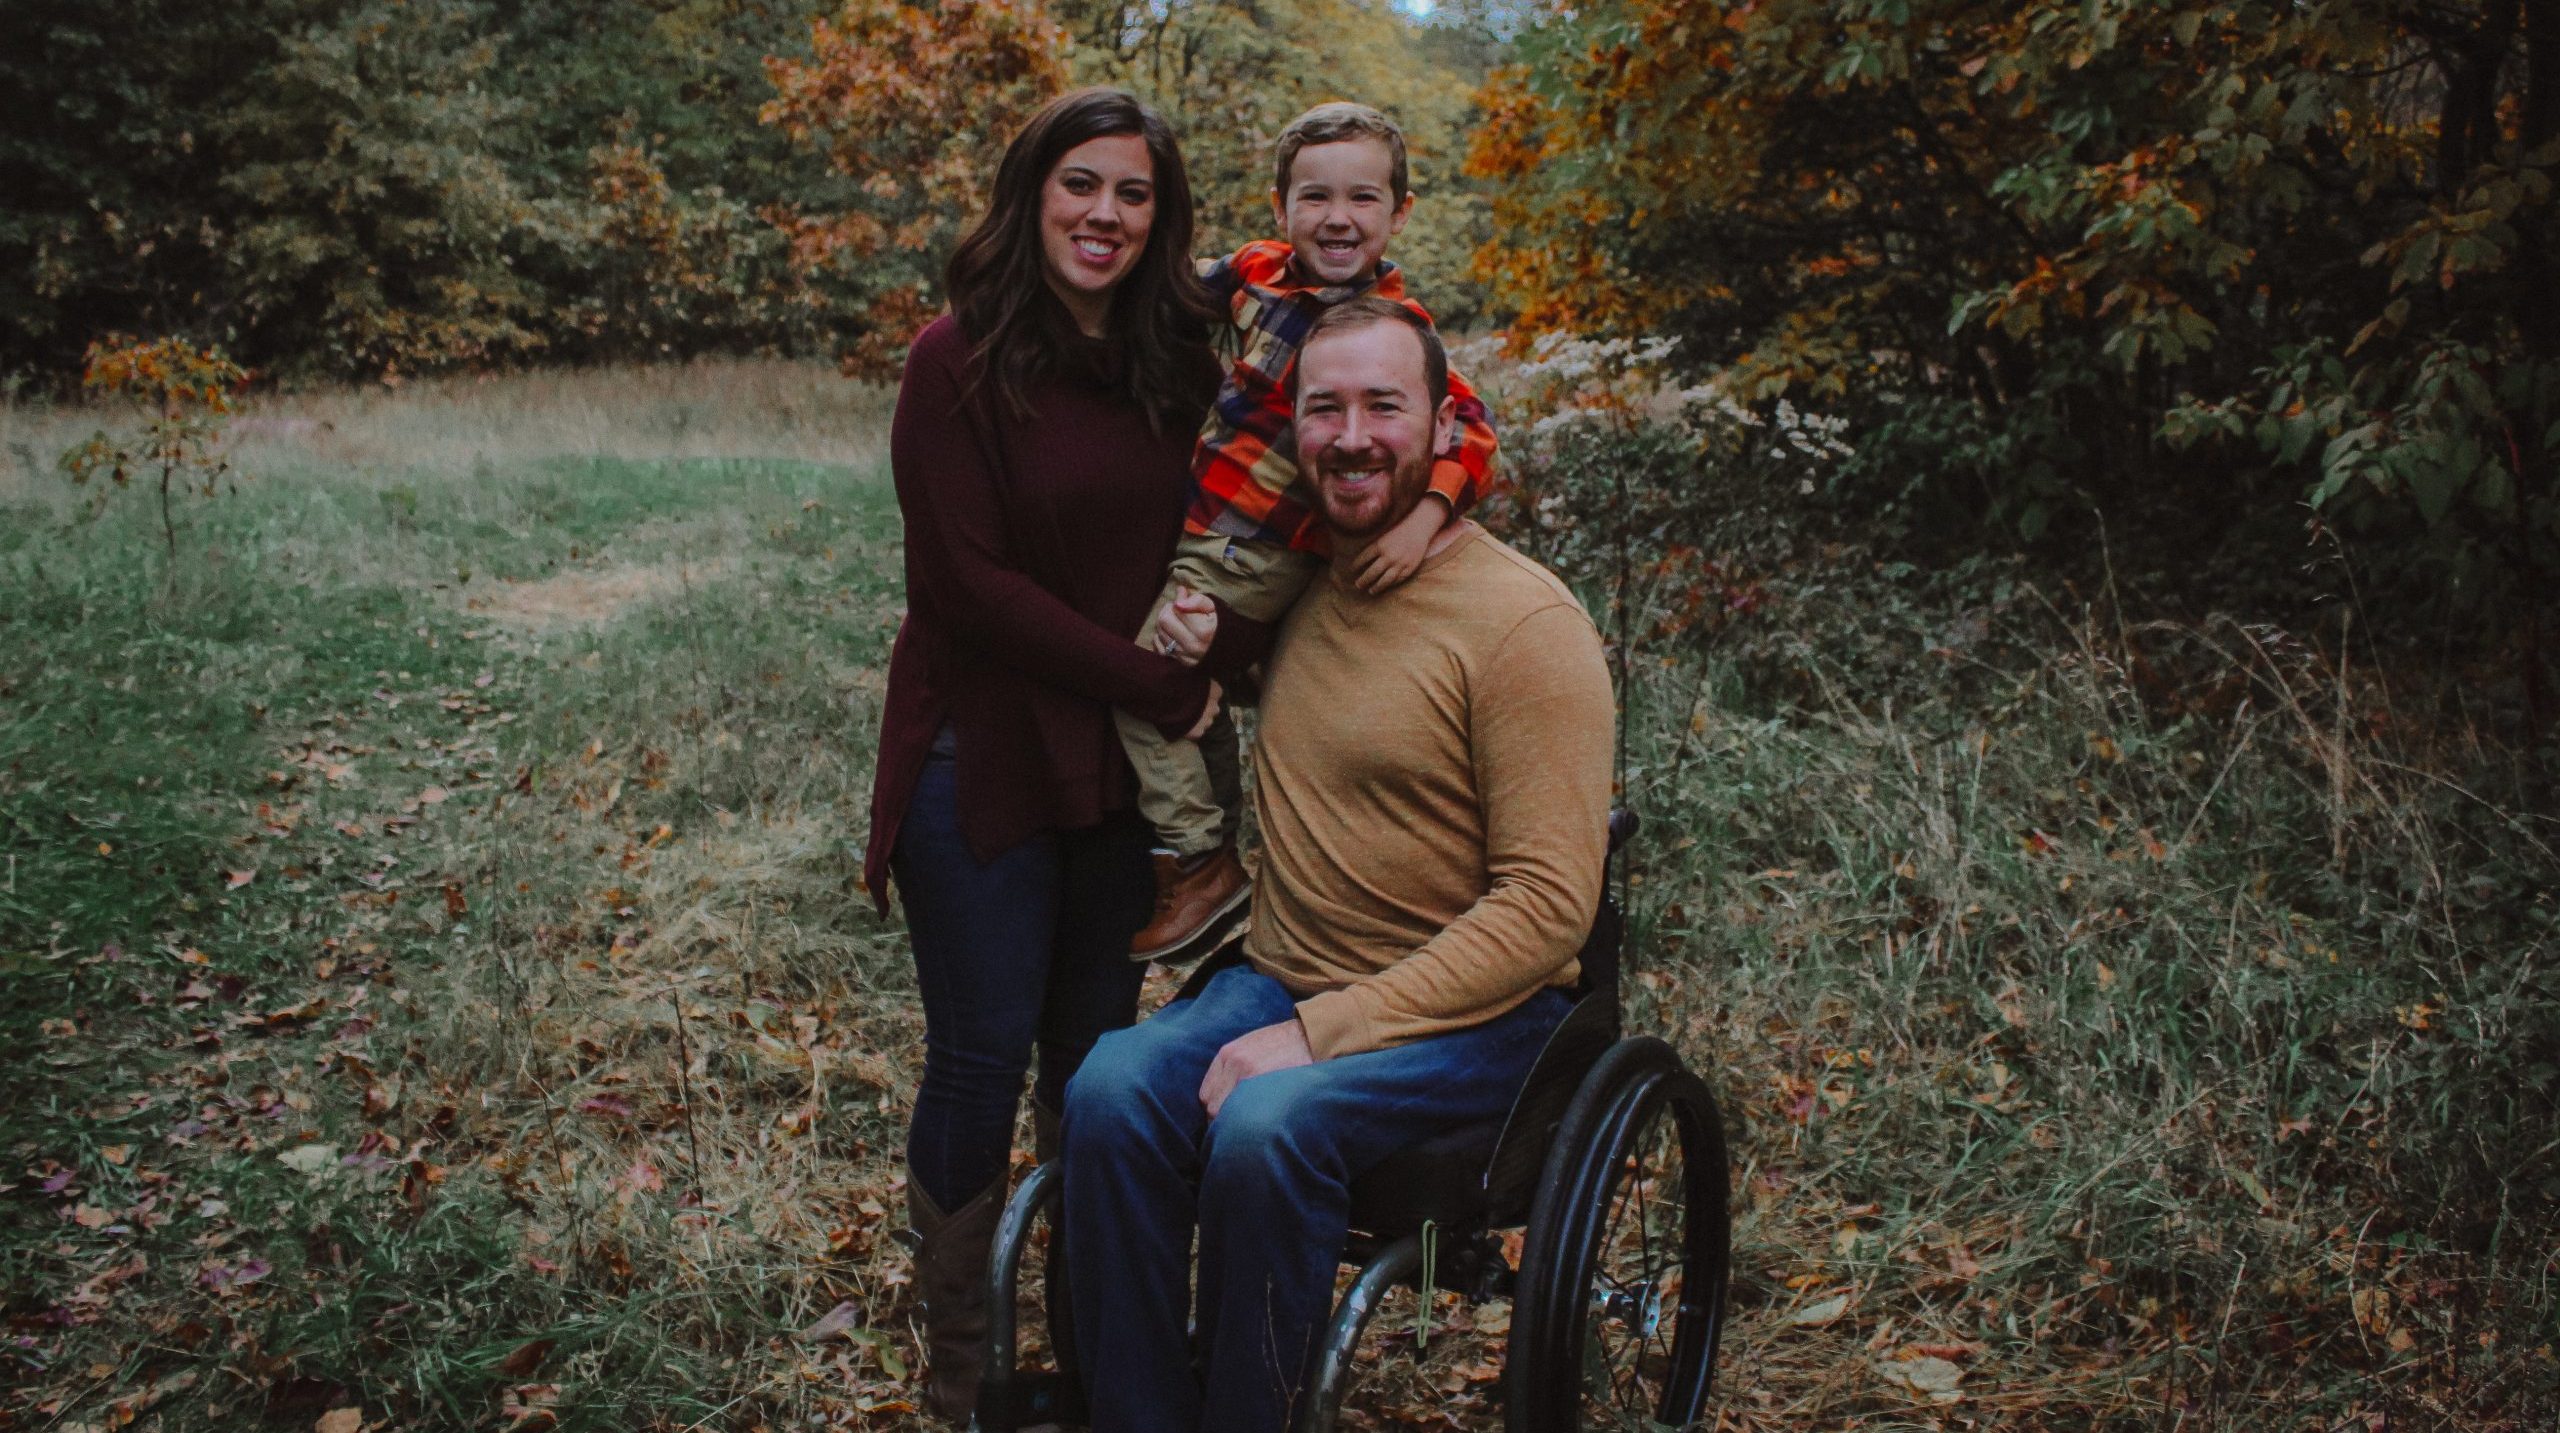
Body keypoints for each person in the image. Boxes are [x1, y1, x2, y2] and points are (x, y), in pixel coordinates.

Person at [1061, 297, 1617, 1433]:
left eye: (1383, 405)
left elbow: (1552, 906)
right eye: (1325, 406)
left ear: (1440, 420)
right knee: (1108, 1089)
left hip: (1475, 1018)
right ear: (1293, 427)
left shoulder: (1523, 624)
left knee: (1268, 1123)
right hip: (1284, 974)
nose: (1352, 434)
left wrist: (1319, 1031)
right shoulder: (1305, 581)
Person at [859, 87, 1225, 1424]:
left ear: (1160, 217)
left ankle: (1091, 1351)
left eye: (1134, 194)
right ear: (1032, 194)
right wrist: (1158, 682)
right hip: (984, 750)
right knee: (981, 1049)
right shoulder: (952, 359)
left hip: (1119, 761)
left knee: (1093, 1062)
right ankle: (963, 1375)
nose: (1106, 214)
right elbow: (967, 584)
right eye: (1082, 184)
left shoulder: (1178, 359)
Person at [1114, 101, 1502, 964]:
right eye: (1315, 196)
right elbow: (1166, 293)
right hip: (1206, 522)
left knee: (1145, 671)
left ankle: (1200, 859)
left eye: (1363, 198)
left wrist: (1424, 520)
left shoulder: (1398, 329)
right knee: (1188, 678)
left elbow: (1471, 430)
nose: (1337, 217)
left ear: (1399, 214)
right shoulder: (1256, 274)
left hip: (1261, 544)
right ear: (1281, 205)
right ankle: (1214, 868)